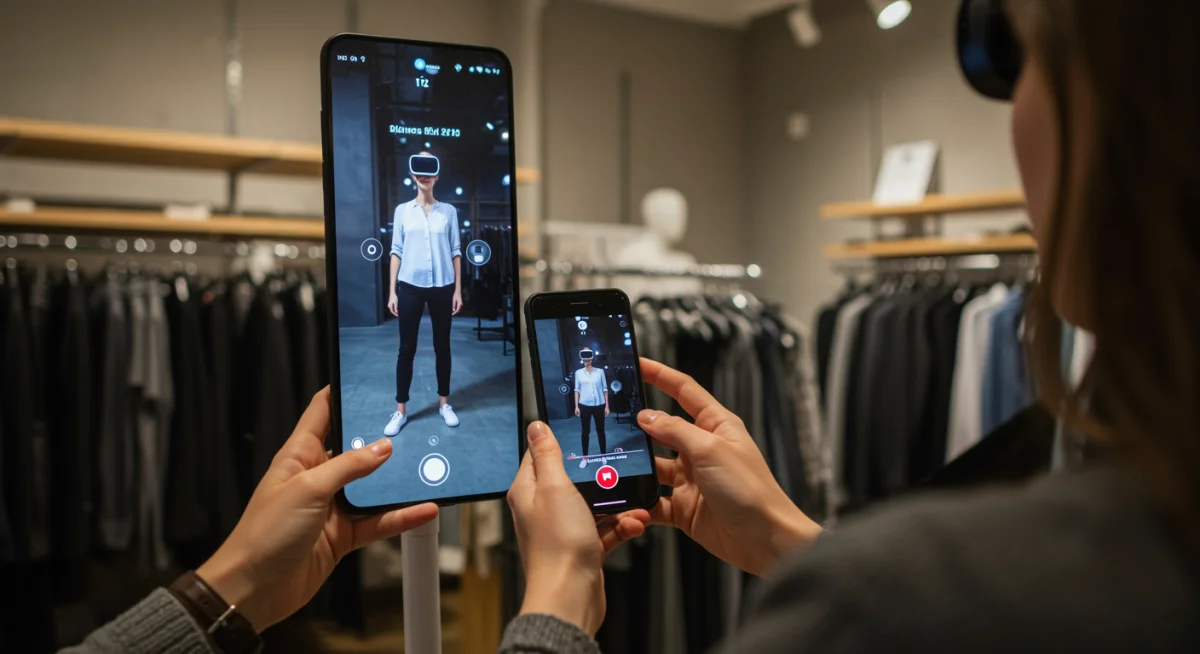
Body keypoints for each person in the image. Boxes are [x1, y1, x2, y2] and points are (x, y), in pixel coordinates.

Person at [498, 1, 1200, 652]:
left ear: (1123, 107)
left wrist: (558, 598)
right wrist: (783, 536)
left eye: (1025, 61)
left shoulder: (903, 601)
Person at [384, 150, 464, 436]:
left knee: (442, 347)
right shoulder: (403, 211)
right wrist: (392, 292)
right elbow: (396, 252)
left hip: (443, 287)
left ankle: (444, 404)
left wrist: (458, 289)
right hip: (410, 287)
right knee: (407, 349)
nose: (424, 175)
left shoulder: (449, 212)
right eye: (419, 170)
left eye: (429, 170)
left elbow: (456, 252)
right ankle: (401, 410)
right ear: (412, 174)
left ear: (437, 175)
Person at [574, 348, 609, 466]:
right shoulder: (578, 373)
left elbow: (605, 389)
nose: (587, 362)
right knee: (585, 431)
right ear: (582, 359)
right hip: (584, 405)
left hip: (599, 405)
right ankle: (585, 458)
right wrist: (576, 406)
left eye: (588, 359)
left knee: (600, 431)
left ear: (591, 358)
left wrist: (607, 406)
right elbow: (576, 390)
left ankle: (603, 455)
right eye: (585, 360)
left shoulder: (600, 372)